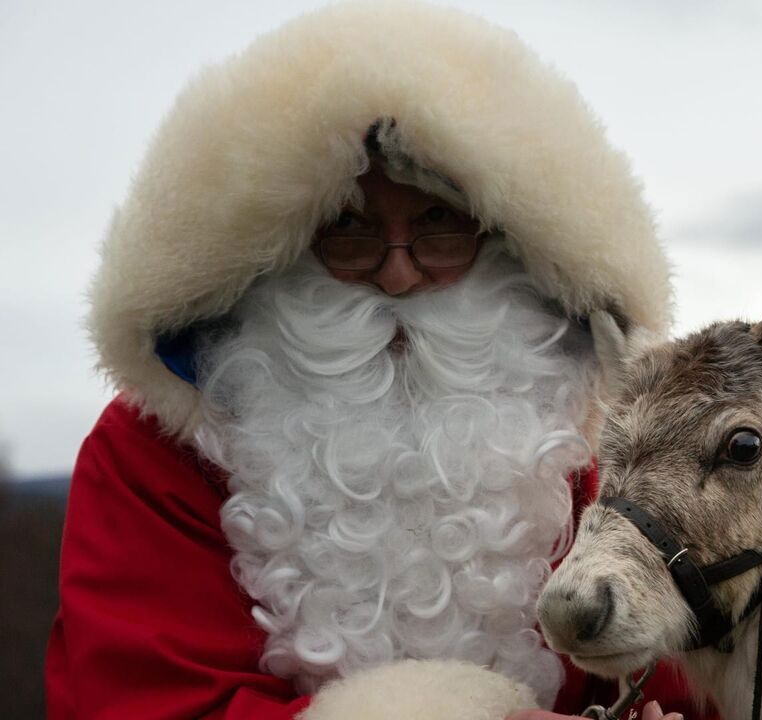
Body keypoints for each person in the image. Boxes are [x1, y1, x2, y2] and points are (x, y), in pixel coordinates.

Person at [45, 3, 709, 718]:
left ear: (507, 239)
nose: (398, 276)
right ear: (279, 246)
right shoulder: (151, 454)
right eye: (349, 230)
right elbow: (138, 699)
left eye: (437, 224)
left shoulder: (597, 431)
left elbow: (694, 667)